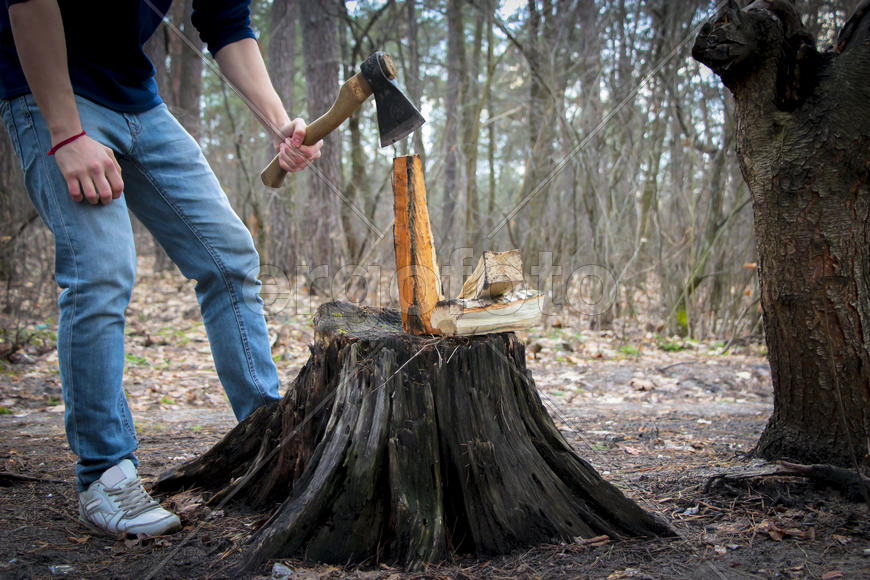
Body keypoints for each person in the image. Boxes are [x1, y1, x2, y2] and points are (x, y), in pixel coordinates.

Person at [0, 0, 322, 537]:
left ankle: (267, 439)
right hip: (51, 93)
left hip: (140, 102)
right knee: (100, 270)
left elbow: (226, 24)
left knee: (229, 257)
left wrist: (278, 123)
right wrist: (66, 134)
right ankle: (105, 473)